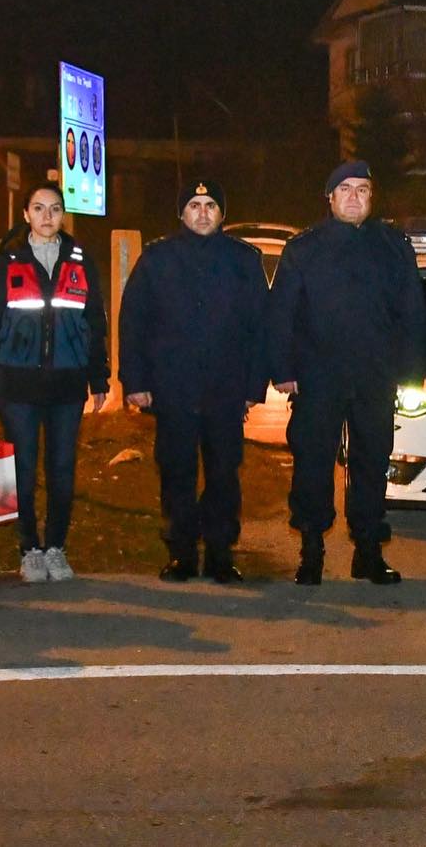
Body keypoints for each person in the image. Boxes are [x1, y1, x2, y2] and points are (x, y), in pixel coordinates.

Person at [266, 160, 423, 586]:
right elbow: (282, 313)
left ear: (372, 197)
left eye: (362, 190)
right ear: (330, 197)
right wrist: (282, 369)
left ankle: (369, 551)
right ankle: (311, 551)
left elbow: (411, 312)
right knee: (313, 463)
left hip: (375, 376)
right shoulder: (304, 248)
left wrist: (411, 369)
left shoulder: (393, 246)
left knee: (372, 463)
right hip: (318, 376)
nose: (354, 197)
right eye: (345, 189)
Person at [118, 179, 268, 584]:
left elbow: (260, 327)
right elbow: (134, 323)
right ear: (181, 213)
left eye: (211, 205)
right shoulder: (157, 260)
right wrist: (135, 379)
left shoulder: (244, 261)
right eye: (195, 205)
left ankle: (221, 553)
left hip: (226, 391)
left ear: (222, 214)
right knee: (177, 473)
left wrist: (254, 387)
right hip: (173, 389)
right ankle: (181, 553)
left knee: (223, 476)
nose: (203, 212)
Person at [0, 181, 110, 583]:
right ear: (26, 214)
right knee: (24, 471)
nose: (47, 216)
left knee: (63, 469)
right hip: (17, 388)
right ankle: (30, 548)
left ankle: (56, 548)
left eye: (54, 208)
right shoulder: (5, 263)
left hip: (68, 386)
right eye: (38, 208)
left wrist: (98, 377)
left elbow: (94, 323)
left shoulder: (82, 261)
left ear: (63, 214)